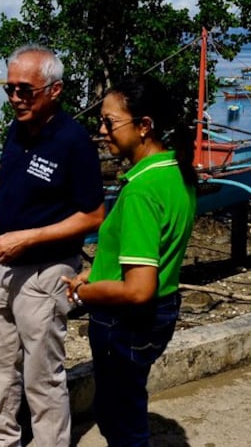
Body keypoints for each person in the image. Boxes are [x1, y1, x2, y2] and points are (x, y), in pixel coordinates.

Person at [0, 45, 105, 447]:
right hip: (6, 266)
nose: (16, 98)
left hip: (48, 269)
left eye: (26, 90)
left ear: (54, 91)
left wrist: (28, 237)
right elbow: (8, 180)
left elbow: (94, 216)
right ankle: (3, 437)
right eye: (10, 90)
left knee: (43, 373)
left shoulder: (73, 141)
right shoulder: (18, 127)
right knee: (0, 361)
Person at [62, 75, 197, 446]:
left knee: (120, 419)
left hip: (127, 321)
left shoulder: (141, 190)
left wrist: (85, 293)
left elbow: (138, 289)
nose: (102, 130)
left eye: (110, 122)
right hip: (162, 310)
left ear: (144, 126)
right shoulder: (175, 173)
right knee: (125, 406)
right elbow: (152, 251)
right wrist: (97, 269)